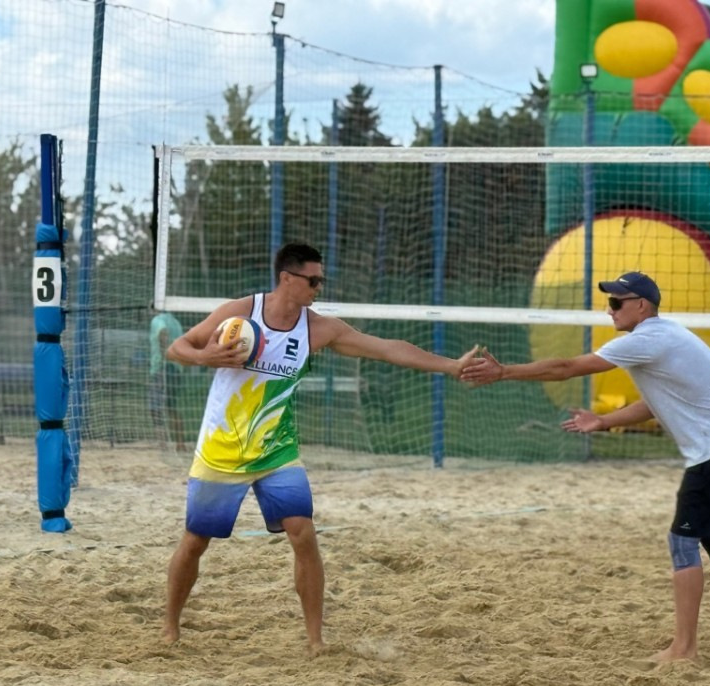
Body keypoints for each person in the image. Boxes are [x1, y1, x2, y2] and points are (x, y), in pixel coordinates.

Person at [161, 241, 478, 653]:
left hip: (277, 450)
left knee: (303, 533)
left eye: (321, 280)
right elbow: (178, 347)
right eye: (313, 280)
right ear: (286, 278)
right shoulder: (240, 313)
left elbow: (386, 348)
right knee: (196, 541)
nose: (318, 287)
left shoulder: (317, 329)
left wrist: (451, 365)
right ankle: (170, 627)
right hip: (222, 449)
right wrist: (207, 357)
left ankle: (315, 639)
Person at [461, 271, 710, 663]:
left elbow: (566, 367)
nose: (610, 309)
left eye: (617, 302)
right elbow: (658, 402)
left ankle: (684, 648)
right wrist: (604, 421)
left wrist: (504, 372)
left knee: (682, 541)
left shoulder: (647, 339)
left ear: (642, 306)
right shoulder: (668, 335)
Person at [148, 311, 189, 451]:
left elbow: (163, 332)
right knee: (172, 407)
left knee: (155, 407)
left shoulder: (157, 320)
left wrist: (165, 355)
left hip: (162, 368)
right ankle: (180, 444)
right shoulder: (176, 323)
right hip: (176, 368)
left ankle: (163, 444)